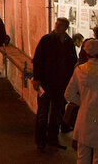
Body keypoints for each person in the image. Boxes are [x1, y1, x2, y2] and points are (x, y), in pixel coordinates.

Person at [65, 39, 98, 163]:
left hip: (84, 118)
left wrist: (83, 102)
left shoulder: (79, 70)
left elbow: (68, 94)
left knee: (82, 156)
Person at [32, 17, 77, 151]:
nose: (57, 27)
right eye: (57, 24)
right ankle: (41, 140)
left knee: (57, 112)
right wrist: (37, 78)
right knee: (43, 112)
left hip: (61, 84)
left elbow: (72, 61)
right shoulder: (46, 40)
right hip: (46, 82)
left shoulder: (69, 42)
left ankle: (53, 138)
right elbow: (38, 60)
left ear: (66, 27)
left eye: (60, 25)